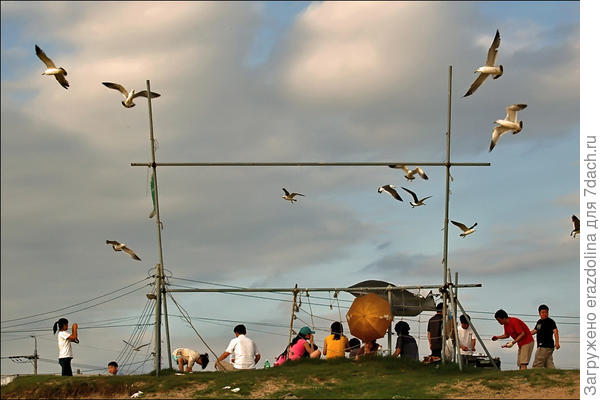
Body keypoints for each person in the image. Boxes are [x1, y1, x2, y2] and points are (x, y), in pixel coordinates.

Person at [530, 304, 560, 368]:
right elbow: (535, 331)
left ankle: (535, 375)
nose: (545, 314)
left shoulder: (550, 321)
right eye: (543, 312)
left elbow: (555, 331)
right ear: (539, 313)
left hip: (545, 345)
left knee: (537, 363)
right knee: (549, 363)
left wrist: (557, 342)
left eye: (546, 312)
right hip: (546, 347)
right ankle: (554, 375)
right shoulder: (539, 322)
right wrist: (526, 333)